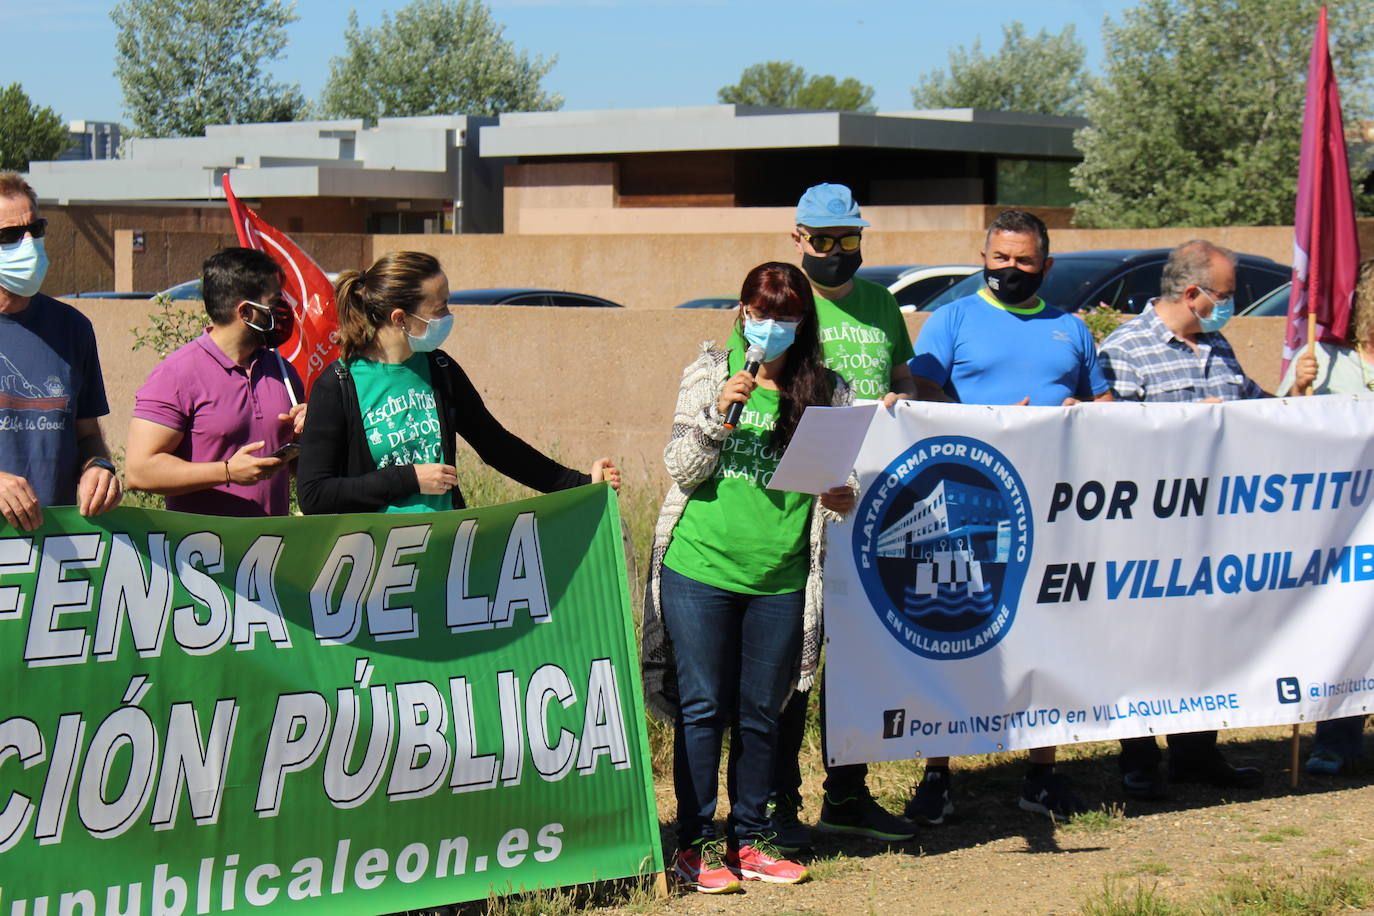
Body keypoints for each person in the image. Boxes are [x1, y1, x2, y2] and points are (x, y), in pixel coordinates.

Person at [643, 261, 855, 893]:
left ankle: (754, 835)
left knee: (764, 710)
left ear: (803, 324)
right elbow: (683, 467)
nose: (768, 327)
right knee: (704, 708)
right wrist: (719, 411)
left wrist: (845, 496)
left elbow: (841, 481)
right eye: (759, 314)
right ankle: (697, 843)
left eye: (784, 317)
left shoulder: (828, 389)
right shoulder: (709, 372)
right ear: (741, 313)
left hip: (781, 577)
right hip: (700, 569)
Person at [907, 208, 1113, 822]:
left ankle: (1042, 775)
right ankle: (937, 775)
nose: (1012, 270)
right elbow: (921, 399)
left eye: (1025, 261)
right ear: (983, 257)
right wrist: (990, 424)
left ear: (1045, 265)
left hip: (1057, 509)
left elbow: (1107, 407)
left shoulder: (1072, 328)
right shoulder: (952, 319)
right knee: (958, 635)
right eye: (1001, 258)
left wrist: (1083, 411)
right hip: (974, 511)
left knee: (1048, 635)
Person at [728, 184, 918, 847]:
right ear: (798, 240)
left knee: (857, 660)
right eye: (824, 240)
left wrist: (906, 399)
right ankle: (779, 805)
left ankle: (848, 794)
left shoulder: (882, 305)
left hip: (875, 511)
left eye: (849, 240)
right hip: (801, 517)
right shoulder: (785, 311)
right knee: (792, 666)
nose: (837, 253)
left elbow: (906, 379)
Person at [1096, 239, 1268, 797]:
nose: (1230, 304)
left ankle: (1196, 753)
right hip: (1148, 533)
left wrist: (1297, 399)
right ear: (1193, 294)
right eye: (1225, 295)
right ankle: (1139, 760)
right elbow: (1110, 442)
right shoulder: (1126, 349)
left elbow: (1256, 408)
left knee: (1203, 642)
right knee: (1144, 646)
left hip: (1214, 530)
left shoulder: (1219, 345)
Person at [296, 250, 617, 516]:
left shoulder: (441, 368)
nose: (448, 316)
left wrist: (582, 484)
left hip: (444, 556)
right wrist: (406, 479)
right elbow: (314, 494)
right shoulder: (338, 384)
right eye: (439, 309)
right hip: (376, 568)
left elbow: (497, 446)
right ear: (399, 318)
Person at [1278, 256, 1374, 776]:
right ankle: (1334, 742)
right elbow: (1280, 435)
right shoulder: (1324, 361)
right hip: (1341, 536)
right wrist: (1297, 391)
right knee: (1344, 632)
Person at [126, 248, 304, 516]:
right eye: (275, 302)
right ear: (246, 312)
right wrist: (227, 472)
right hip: (200, 553)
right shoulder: (176, 374)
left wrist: (311, 437)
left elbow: (295, 467)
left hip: (271, 549)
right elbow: (139, 470)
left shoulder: (282, 371)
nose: (283, 312)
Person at [0, 171, 121, 530]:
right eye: (9, 235)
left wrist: (99, 468)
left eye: (35, 230)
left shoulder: (73, 328)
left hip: (53, 549)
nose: (27, 243)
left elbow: (87, 435)